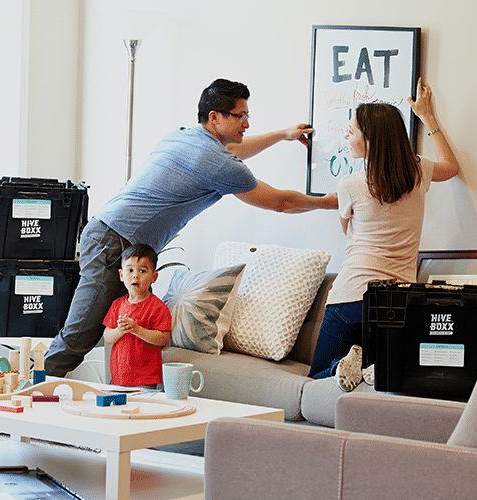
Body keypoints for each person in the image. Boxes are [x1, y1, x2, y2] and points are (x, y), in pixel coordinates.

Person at [45, 78, 338, 376]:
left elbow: (233, 151)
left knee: (82, 331)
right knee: (80, 334)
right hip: (115, 243)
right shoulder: (219, 163)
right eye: (241, 116)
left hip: (105, 232)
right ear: (215, 117)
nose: (246, 124)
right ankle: (29, 398)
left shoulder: (184, 136)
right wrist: (329, 201)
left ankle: (35, 389)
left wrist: (281, 135)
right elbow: (281, 202)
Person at [308, 78, 460, 391]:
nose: (347, 134)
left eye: (353, 129)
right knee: (386, 374)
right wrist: (427, 117)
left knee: (317, 376)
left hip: (349, 296)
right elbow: (451, 167)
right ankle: (371, 367)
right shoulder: (418, 170)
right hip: (396, 300)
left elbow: (348, 232)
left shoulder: (350, 185)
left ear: (371, 138)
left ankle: (348, 366)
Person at [102, 244, 172, 388]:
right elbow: (107, 336)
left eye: (142, 271)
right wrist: (119, 331)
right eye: (130, 270)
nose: (135, 275)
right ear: (122, 275)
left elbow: (163, 338)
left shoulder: (157, 307)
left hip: (145, 380)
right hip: (118, 378)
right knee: (116, 410)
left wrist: (137, 329)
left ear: (154, 277)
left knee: (143, 409)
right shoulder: (117, 305)